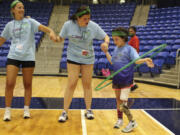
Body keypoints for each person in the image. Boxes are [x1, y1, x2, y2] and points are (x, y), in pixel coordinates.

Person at [0, 0, 57, 121]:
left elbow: (43, 28)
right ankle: (7, 110)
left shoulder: (30, 21)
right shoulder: (9, 25)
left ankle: (26, 109)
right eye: (19, 7)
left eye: (22, 7)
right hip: (13, 56)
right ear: (13, 10)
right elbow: (1, 40)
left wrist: (51, 31)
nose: (21, 9)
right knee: (9, 83)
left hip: (28, 56)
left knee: (27, 84)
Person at [56, 5, 110, 122]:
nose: (87, 21)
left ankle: (89, 110)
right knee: (72, 83)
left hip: (88, 59)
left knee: (87, 84)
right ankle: (65, 111)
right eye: (85, 19)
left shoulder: (93, 26)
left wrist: (106, 43)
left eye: (88, 18)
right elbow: (61, 38)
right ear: (77, 18)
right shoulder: (68, 25)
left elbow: (106, 36)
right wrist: (56, 39)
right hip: (73, 57)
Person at [102, 27, 154, 133]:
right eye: (113, 39)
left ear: (123, 38)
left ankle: (132, 121)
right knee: (118, 101)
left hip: (126, 79)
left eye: (116, 39)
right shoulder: (116, 49)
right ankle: (120, 119)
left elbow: (137, 60)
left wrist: (146, 59)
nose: (114, 41)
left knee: (123, 103)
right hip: (117, 79)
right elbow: (112, 62)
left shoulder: (130, 49)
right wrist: (106, 52)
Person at [128, 26, 140, 91]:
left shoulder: (135, 38)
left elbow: (135, 48)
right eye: (129, 31)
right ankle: (133, 85)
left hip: (132, 58)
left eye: (131, 31)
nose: (130, 32)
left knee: (129, 72)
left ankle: (133, 85)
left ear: (135, 32)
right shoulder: (131, 39)